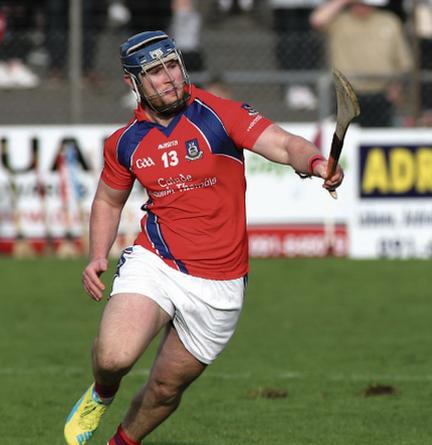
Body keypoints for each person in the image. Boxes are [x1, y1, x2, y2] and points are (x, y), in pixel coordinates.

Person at [63, 30, 343, 445]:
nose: (169, 78)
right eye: (154, 72)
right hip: (156, 261)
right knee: (114, 356)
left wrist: (316, 161)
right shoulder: (124, 143)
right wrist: (96, 255)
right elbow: (107, 199)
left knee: (165, 389)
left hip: (221, 284)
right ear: (133, 82)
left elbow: (284, 145)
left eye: (172, 65)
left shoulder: (216, 113)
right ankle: (102, 394)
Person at [310, 0, 413, 127]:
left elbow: (404, 61)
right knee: (344, 141)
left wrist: (397, 85)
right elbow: (317, 20)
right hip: (346, 95)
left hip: (382, 94)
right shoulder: (339, 21)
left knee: (378, 140)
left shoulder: (389, 21)